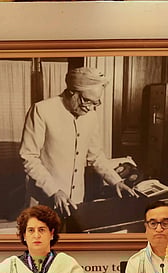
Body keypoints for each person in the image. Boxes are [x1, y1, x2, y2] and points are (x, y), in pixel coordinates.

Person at [19, 66, 137, 218]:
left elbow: (95, 156)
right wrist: (53, 190)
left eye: (96, 102)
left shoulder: (91, 115)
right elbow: (28, 157)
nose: (90, 107)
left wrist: (116, 181)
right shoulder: (41, 110)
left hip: (76, 199)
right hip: (44, 197)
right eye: (87, 101)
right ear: (71, 92)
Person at [0, 205, 88, 273]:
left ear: (51, 234)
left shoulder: (68, 264)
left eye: (41, 230)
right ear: (24, 236)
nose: (36, 235)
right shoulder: (7, 268)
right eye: (31, 230)